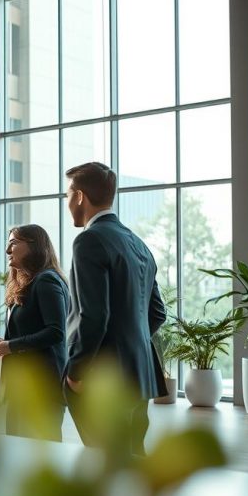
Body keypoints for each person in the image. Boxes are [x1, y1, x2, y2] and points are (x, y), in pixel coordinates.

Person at [63, 162, 167, 455]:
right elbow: (157, 312)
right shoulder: (137, 243)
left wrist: (76, 372)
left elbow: (94, 314)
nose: (68, 202)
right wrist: (130, 342)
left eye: (68, 195)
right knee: (132, 458)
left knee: (104, 461)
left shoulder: (89, 240)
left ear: (80, 196)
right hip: (141, 372)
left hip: (103, 377)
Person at [0, 225, 69, 441]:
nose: (7, 250)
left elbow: (56, 332)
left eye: (14, 243)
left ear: (34, 247)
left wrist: (11, 346)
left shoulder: (47, 280)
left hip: (41, 391)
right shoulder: (30, 283)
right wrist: (6, 343)